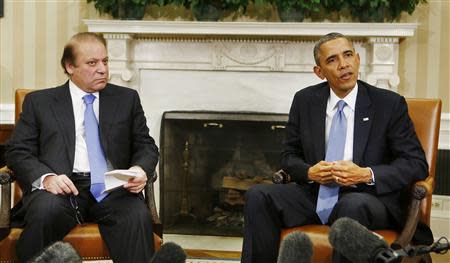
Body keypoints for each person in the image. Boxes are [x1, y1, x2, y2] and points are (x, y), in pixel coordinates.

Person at [241, 32, 432, 263]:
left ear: (358, 59)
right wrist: (309, 172)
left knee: (352, 205)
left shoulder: (388, 104)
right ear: (319, 72)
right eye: (332, 60)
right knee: (258, 195)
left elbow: (416, 164)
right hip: (316, 194)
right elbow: (289, 156)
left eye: (348, 55)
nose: (343, 65)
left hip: (367, 197)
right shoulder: (305, 101)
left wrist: (365, 174)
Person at [5, 32, 159, 262]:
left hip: (112, 188)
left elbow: (146, 145)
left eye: (105, 61)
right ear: (70, 67)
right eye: (92, 63)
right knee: (45, 212)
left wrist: (140, 169)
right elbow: (17, 151)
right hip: (61, 188)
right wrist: (47, 178)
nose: (102, 69)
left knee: (137, 216)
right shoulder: (40, 102)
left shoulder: (126, 99)